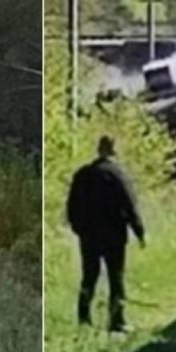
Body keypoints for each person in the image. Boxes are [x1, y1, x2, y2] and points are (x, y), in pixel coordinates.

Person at [67, 135, 145, 332]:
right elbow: (130, 205)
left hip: (89, 235)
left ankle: (84, 319)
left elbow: (72, 206)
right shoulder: (117, 174)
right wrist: (139, 231)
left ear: (98, 149)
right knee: (115, 277)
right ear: (114, 150)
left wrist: (79, 228)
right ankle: (116, 320)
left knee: (89, 276)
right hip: (114, 235)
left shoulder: (83, 175)